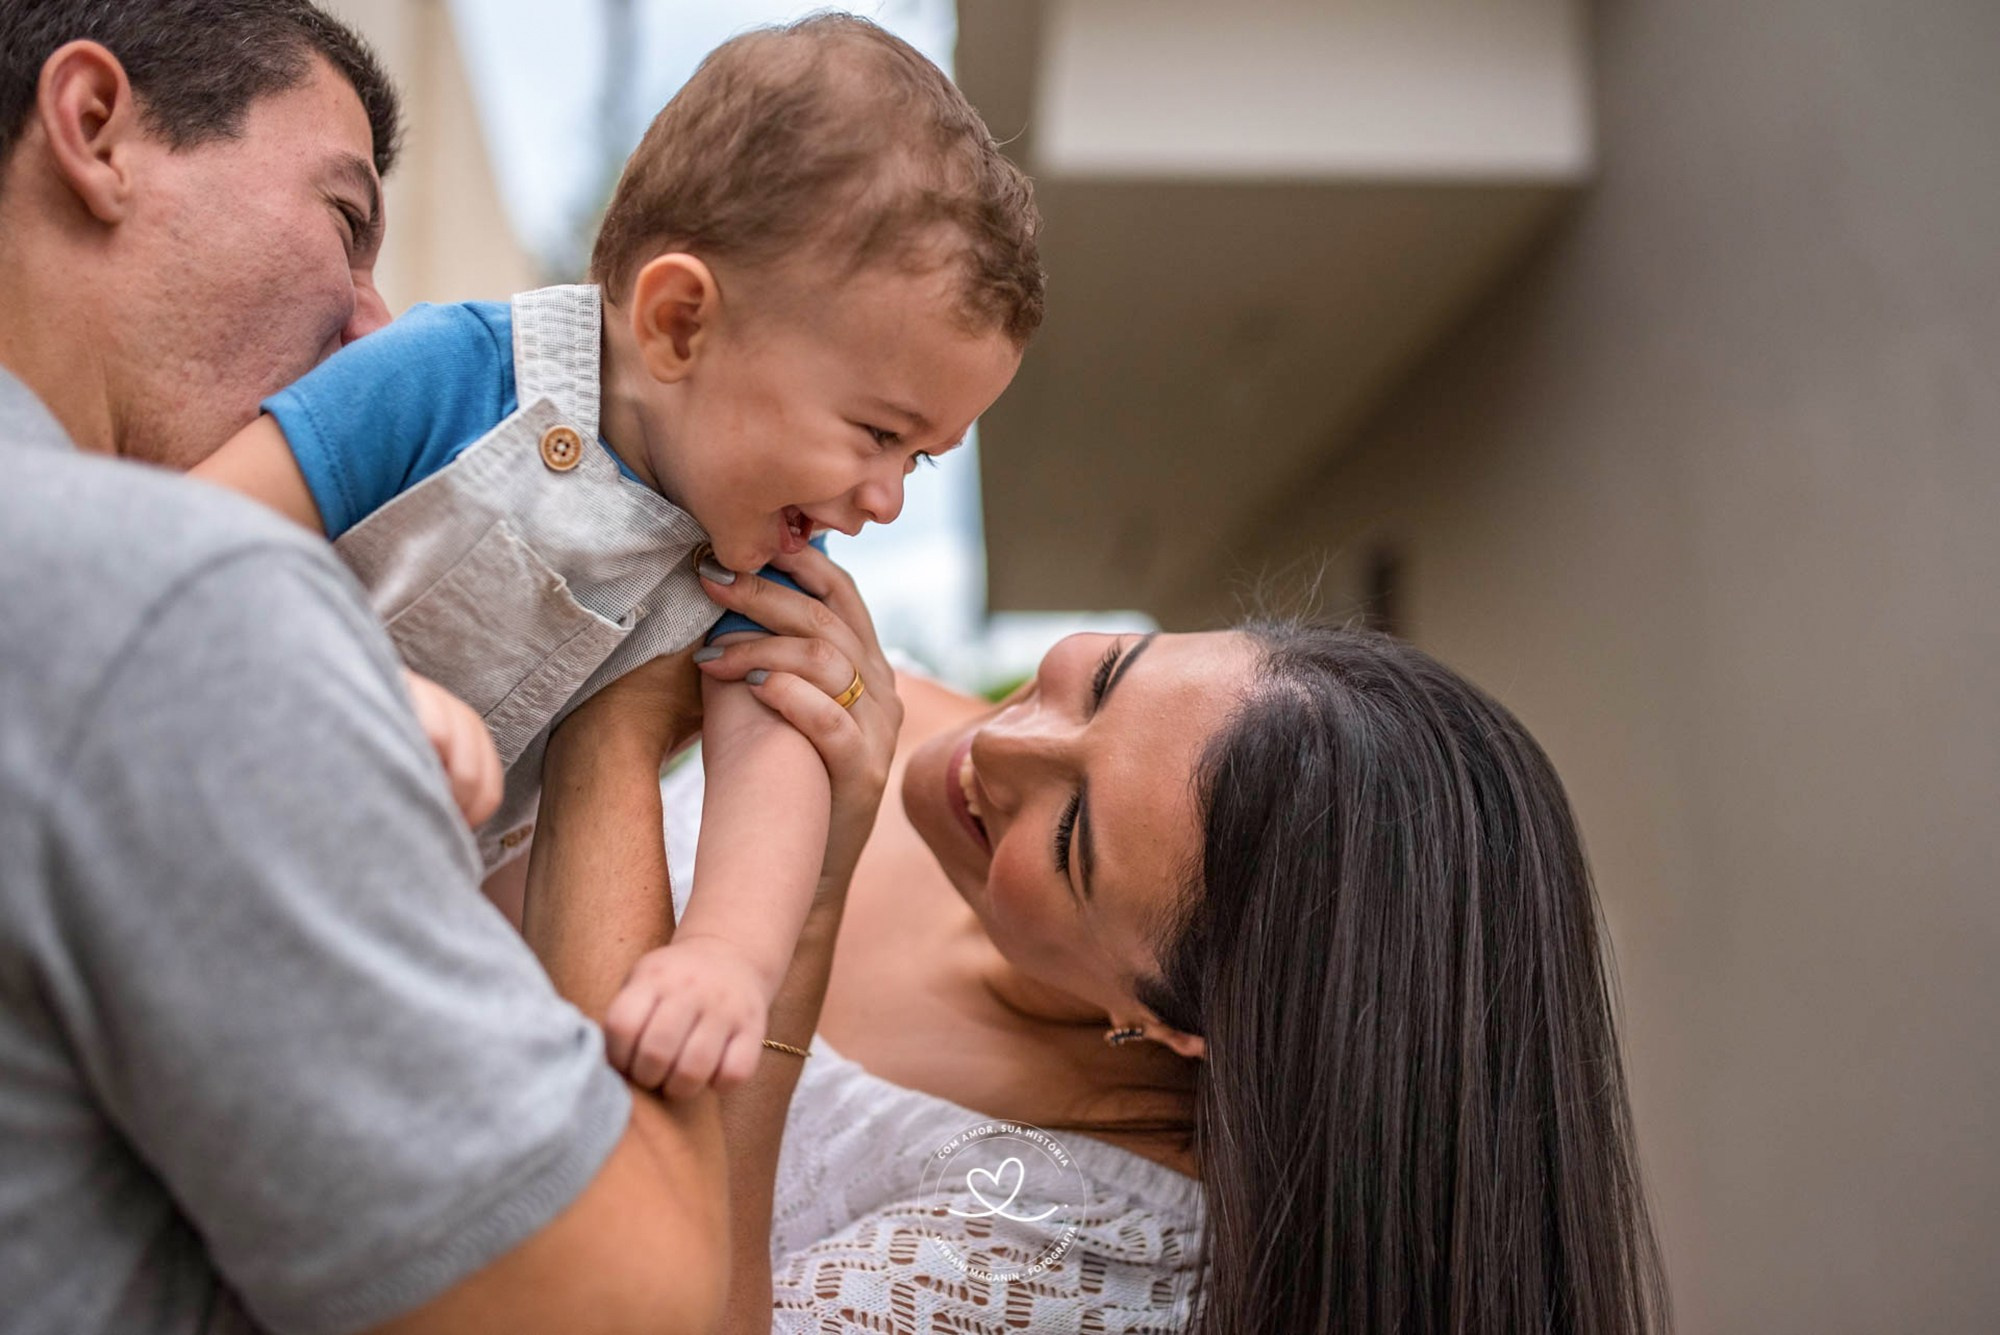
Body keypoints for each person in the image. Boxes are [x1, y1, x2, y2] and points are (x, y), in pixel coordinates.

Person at [0, 4, 891, 1329]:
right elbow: (628, 1311)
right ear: (94, 129)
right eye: (344, 216)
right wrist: (616, 730)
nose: (372, 317)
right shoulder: (177, 603)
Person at [192, 14, 1038, 1098]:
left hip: (390, 944)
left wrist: (724, 960)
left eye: (918, 464)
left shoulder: (752, 568)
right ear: (679, 322)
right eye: (878, 434)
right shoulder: (456, 375)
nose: (880, 501)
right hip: (211, 782)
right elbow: (199, 534)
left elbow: (768, 777)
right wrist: (350, 688)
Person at [666, 565, 1674, 1332]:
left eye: (1070, 843)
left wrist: (789, 922)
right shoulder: (878, 700)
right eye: (1105, 681)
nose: (998, 751)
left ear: (1171, 1025)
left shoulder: (1077, 1243)